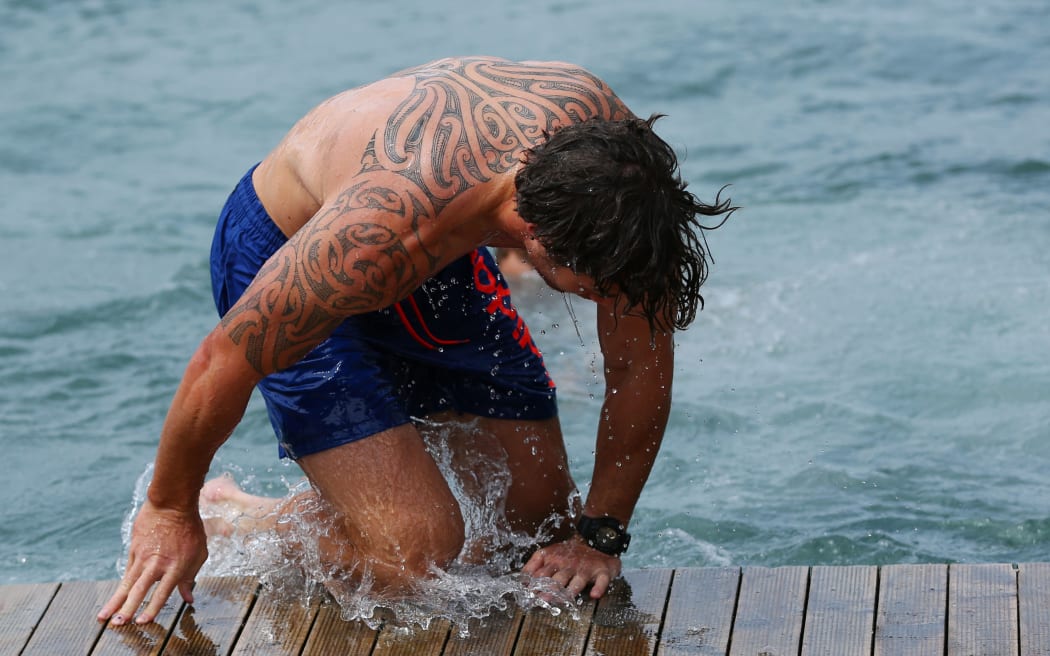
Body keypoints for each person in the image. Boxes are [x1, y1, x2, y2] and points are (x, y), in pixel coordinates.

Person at [98, 56, 734, 627]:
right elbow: (223, 361)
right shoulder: (373, 237)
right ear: (531, 232)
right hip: (294, 245)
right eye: (595, 289)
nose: (609, 301)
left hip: (441, 253)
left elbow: (636, 364)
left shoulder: (616, 171)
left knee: (536, 532)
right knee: (414, 555)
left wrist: (600, 537)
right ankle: (236, 517)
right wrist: (168, 507)